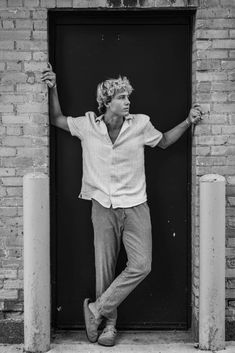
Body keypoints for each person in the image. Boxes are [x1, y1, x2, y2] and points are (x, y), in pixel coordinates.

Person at [41, 63, 203, 347]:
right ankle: (108, 327)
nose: (128, 102)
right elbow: (55, 118)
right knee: (104, 269)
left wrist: (188, 121)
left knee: (142, 264)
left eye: (128, 97)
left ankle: (95, 310)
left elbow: (163, 141)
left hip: (136, 206)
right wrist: (52, 86)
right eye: (122, 97)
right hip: (102, 206)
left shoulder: (140, 124)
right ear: (107, 101)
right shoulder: (88, 125)